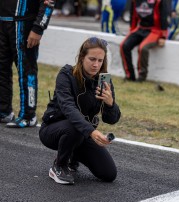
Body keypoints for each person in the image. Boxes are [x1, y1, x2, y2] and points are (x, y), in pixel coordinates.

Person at [39, 37, 121, 185]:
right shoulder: (66, 75)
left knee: (109, 174)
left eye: (100, 60)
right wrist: (91, 131)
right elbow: (68, 108)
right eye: (92, 59)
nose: (96, 64)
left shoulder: (104, 81)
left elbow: (111, 119)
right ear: (82, 57)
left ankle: (73, 155)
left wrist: (110, 104)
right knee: (74, 127)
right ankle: (59, 165)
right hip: (54, 130)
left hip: (82, 134)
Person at [0, 0, 54, 127]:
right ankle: (4, 111)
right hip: (2, 22)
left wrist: (38, 28)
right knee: (1, 70)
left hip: (24, 24)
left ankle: (28, 115)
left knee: (26, 70)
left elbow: (49, 2)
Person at [120, 0, 169, 82]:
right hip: (140, 28)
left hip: (155, 30)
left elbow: (164, 17)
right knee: (124, 45)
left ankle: (141, 77)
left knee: (143, 48)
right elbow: (133, 16)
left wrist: (163, 36)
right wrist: (132, 31)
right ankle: (129, 76)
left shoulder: (159, 1)